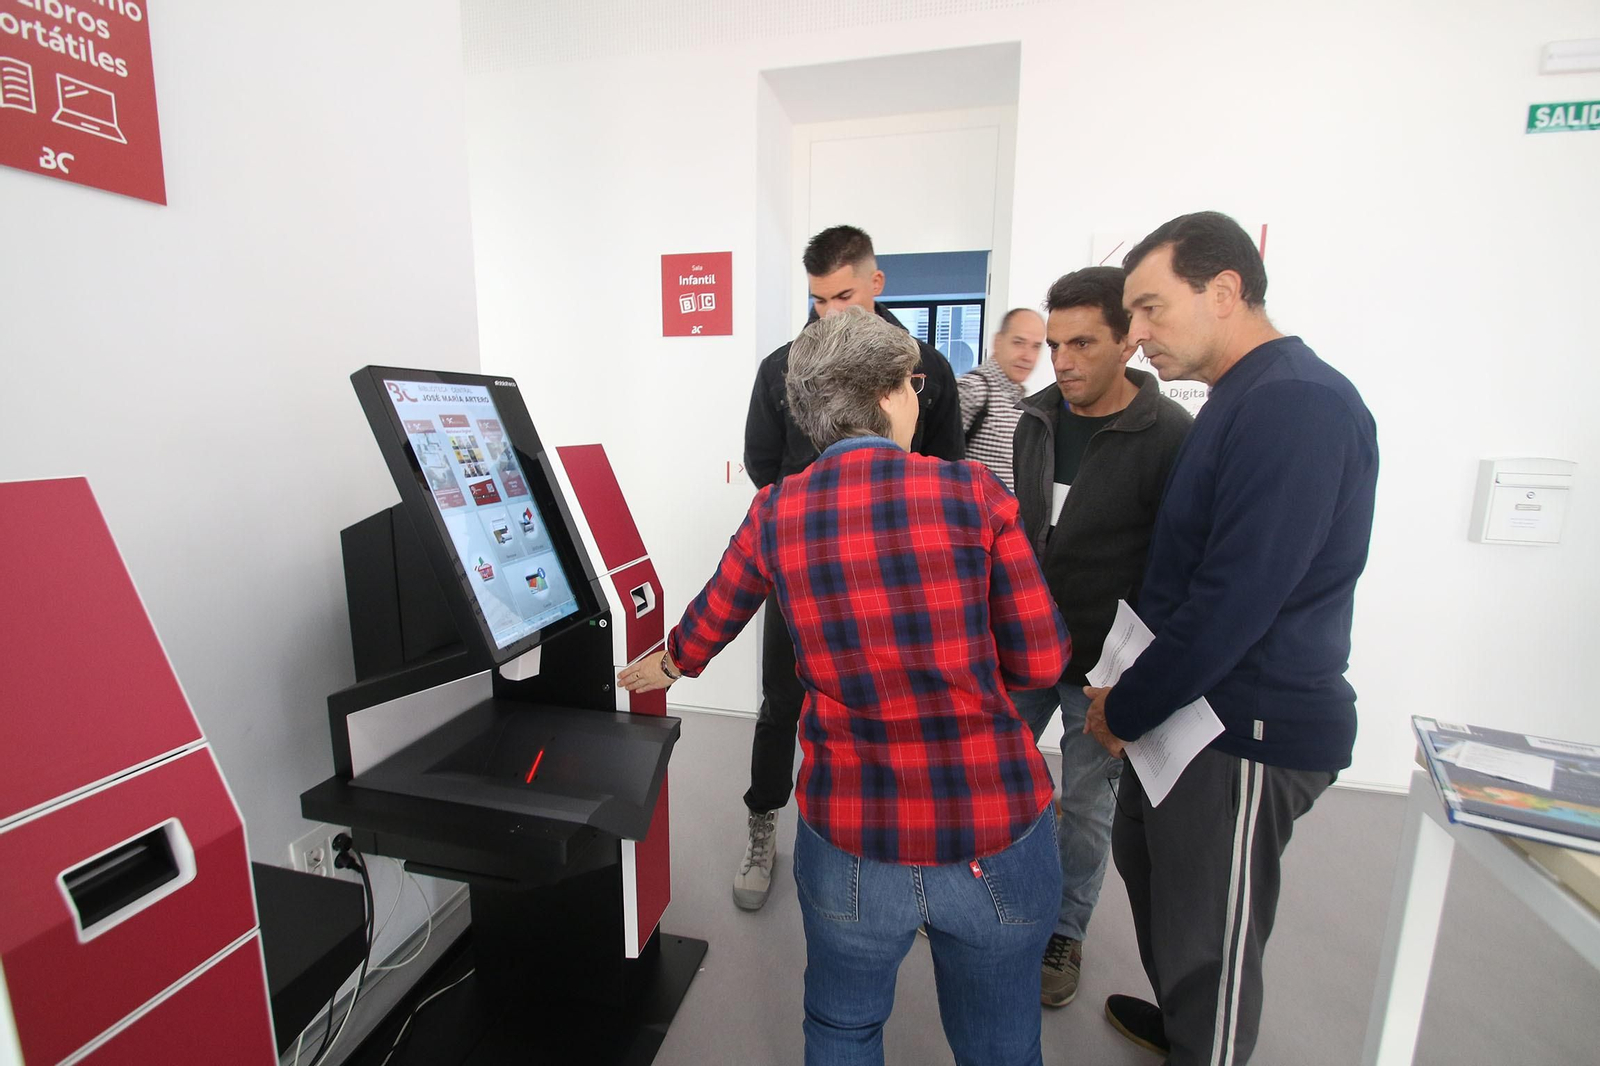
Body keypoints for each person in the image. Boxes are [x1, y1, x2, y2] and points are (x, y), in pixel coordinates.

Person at [623, 306, 1068, 1066]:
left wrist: (663, 665)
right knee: (998, 1040)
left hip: (854, 837)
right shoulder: (975, 495)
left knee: (843, 1027)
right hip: (992, 827)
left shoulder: (778, 510)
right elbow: (1041, 664)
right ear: (894, 394)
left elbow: (713, 618)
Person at [1083, 212, 1378, 1065]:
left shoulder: (1297, 406)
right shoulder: (1240, 397)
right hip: (1188, 716)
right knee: (1161, 879)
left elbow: (1236, 597)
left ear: (1224, 291)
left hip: (1246, 727)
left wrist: (1128, 705)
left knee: (1211, 927)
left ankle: (1203, 1036)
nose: (1134, 337)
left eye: (1148, 309)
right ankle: (1185, 1024)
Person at [737, 225, 964, 911]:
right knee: (784, 700)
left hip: (900, 573)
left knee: (903, 705)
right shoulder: (782, 366)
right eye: (817, 301)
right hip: (803, 570)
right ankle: (763, 822)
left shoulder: (927, 370)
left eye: (843, 296)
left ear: (876, 284)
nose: (830, 315)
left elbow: (950, 470)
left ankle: (910, 849)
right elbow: (760, 464)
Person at [1008, 267, 1192, 1009]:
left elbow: (1174, 567)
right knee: (999, 778)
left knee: (1084, 807)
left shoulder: (1169, 436)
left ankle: (1064, 929)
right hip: (1022, 649)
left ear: (1128, 341)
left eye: (1083, 342)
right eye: (1055, 344)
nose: (1065, 360)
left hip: (1104, 668)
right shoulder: (1035, 418)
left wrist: (1132, 678)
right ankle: (990, 899)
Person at [956, 307, 1043, 491]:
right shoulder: (974, 389)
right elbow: (940, 458)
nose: (1027, 356)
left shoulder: (1021, 399)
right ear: (998, 342)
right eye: (1018, 343)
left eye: (1036, 346)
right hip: (974, 516)